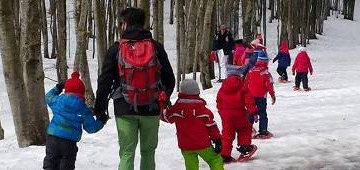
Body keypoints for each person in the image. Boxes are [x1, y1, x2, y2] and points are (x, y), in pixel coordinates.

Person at [94, 8, 175, 170]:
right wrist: (163, 98)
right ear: (143, 23)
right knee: (148, 152)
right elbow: (169, 79)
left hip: (124, 108)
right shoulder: (156, 47)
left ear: (124, 24)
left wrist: (100, 109)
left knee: (126, 153)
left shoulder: (116, 49)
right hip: (151, 108)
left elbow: (104, 82)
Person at [43, 71, 106, 170]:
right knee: (66, 164)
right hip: (69, 142)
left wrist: (58, 88)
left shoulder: (58, 101)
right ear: (82, 91)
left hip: (53, 138)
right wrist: (101, 121)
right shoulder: (83, 108)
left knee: (50, 162)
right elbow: (91, 128)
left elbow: (48, 97)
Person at [161, 79, 224, 170]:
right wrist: (217, 139)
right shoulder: (203, 110)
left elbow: (166, 117)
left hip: (186, 146)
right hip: (203, 144)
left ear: (181, 92)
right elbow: (211, 126)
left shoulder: (176, 109)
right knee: (214, 159)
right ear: (197, 92)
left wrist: (163, 104)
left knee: (191, 166)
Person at [217, 72, 258, 163]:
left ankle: (225, 154)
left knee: (227, 134)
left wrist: (221, 112)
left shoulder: (222, 89)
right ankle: (245, 147)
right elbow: (249, 100)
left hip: (226, 115)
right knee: (245, 129)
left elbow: (218, 101)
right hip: (240, 113)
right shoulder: (242, 87)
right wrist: (253, 112)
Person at [245, 57, 276, 139]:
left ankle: (248, 129)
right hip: (261, 96)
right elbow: (270, 85)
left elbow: (246, 82)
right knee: (262, 113)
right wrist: (272, 95)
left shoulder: (250, 71)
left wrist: (245, 94)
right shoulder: (266, 73)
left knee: (250, 112)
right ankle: (263, 130)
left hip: (250, 96)